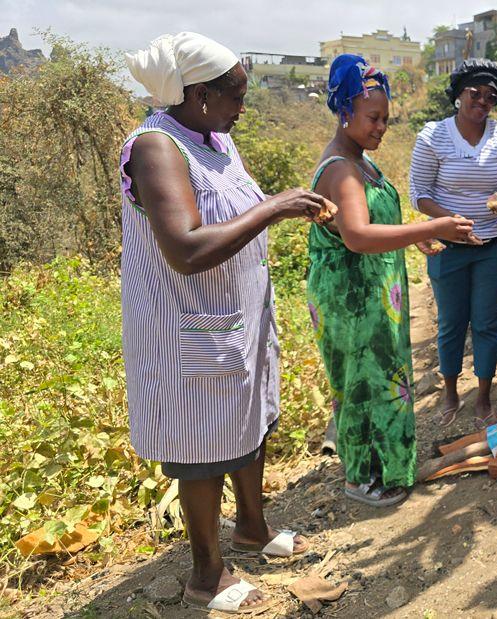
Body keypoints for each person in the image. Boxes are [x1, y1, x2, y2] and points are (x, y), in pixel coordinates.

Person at [122, 32, 317, 613]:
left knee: (248, 422)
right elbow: (184, 247)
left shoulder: (213, 137)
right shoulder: (155, 147)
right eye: (234, 95)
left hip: (236, 320)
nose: (242, 106)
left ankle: (252, 529)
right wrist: (274, 207)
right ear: (198, 93)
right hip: (187, 327)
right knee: (200, 447)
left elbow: (232, 211)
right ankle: (206, 573)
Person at [307, 55, 475, 506]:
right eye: (373, 118)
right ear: (345, 113)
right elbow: (358, 236)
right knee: (363, 381)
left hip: (372, 293)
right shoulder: (341, 169)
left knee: (381, 379)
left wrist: (410, 239)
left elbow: (373, 220)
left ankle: (386, 467)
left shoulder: (360, 159)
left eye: (386, 118)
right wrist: (431, 228)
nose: (382, 127)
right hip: (351, 298)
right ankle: (361, 477)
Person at [408, 58, 497, 427]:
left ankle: (483, 397)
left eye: (491, 96)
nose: (482, 101)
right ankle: (450, 392)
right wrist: (450, 223)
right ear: (458, 94)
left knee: (488, 323)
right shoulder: (433, 136)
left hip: (494, 245)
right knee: (451, 323)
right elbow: (419, 194)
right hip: (448, 248)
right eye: (474, 93)